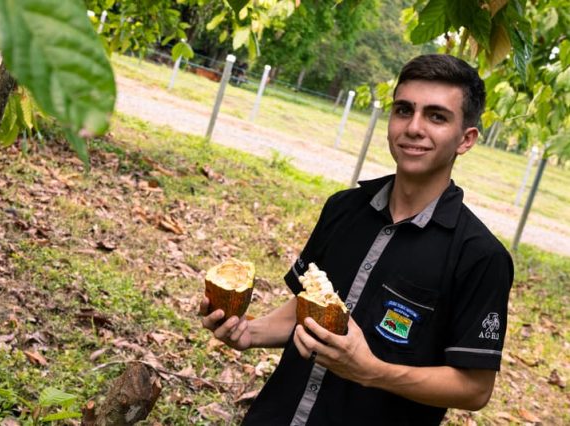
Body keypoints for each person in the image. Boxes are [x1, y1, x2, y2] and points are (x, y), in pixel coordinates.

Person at [200, 54, 513, 425]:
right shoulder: (343, 209)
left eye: (436, 116)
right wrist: (248, 331)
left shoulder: (480, 256)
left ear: (466, 139)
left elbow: (475, 388)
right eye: (403, 110)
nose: (413, 127)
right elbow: (306, 307)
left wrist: (371, 370)